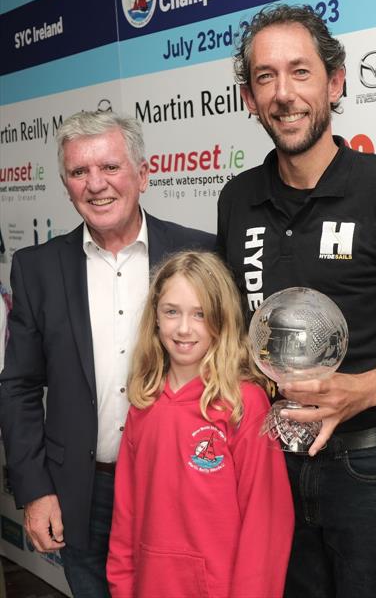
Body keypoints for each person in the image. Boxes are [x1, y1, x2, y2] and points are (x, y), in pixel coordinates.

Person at [217, 4, 376, 597]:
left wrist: (365, 389)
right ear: (249, 99)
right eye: (265, 77)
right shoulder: (237, 199)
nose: (283, 94)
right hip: (270, 462)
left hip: (373, 468)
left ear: (335, 81)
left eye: (300, 72)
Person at [0, 110, 214, 597]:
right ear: (65, 183)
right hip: (82, 491)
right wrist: (34, 490)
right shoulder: (36, 269)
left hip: (181, 484)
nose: (95, 184)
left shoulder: (199, 254)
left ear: (142, 173)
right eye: (79, 172)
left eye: (110, 168)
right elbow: (19, 387)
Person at [106, 250, 293, 597]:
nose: (183, 328)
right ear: (156, 318)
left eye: (200, 314)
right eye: (171, 312)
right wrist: (122, 587)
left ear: (221, 321)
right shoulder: (143, 402)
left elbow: (266, 523)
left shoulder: (243, 402)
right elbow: (125, 515)